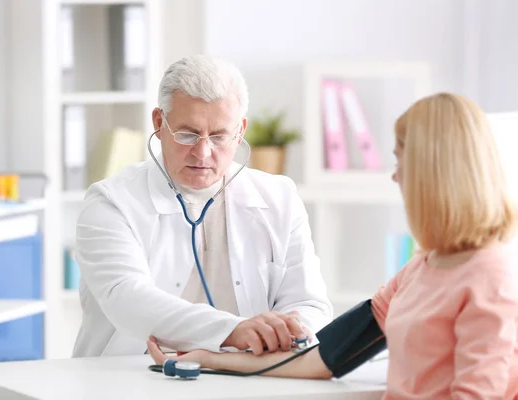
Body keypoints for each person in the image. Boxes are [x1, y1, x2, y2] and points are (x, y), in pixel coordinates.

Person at [147, 92, 518, 399]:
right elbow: (328, 355)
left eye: (400, 160)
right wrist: (212, 357)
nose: (395, 174)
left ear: (431, 172)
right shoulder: (425, 266)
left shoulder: (491, 278)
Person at [72, 54, 333, 357]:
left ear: (241, 130)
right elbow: (127, 298)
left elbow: (310, 303)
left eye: (220, 136)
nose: (203, 152)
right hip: (133, 378)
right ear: (159, 123)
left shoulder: (279, 198)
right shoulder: (111, 203)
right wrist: (233, 332)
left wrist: (283, 334)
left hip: (246, 374)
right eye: (188, 134)